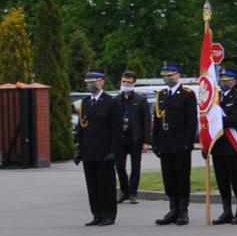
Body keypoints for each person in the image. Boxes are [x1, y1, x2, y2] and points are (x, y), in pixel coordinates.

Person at [150, 62, 195, 226]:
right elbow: (157, 120)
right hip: (165, 141)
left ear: (178, 75)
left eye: (170, 75)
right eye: (165, 75)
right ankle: (173, 208)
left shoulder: (187, 94)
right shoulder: (161, 95)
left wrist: (188, 143)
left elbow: (191, 122)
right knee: (168, 177)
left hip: (180, 142)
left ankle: (183, 210)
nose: (167, 78)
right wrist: (154, 141)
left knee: (181, 177)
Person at [76, 71, 122, 226]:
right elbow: (81, 128)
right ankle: (96, 214)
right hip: (89, 151)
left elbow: (116, 130)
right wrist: (79, 150)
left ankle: (109, 215)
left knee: (106, 185)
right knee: (93, 185)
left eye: (93, 81)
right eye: (87, 82)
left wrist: (113, 151)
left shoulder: (111, 102)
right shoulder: (85, 102)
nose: (90, 84)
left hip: (104, 152)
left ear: (102, 82)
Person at [209, 69, 237, 225]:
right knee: (222, 179)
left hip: (233, 144)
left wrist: (218, 120)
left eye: (227, 80)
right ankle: (227, 210)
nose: (224, 82)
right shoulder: (214, 98)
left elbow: (236, 120)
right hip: (218, 144)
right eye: (222, 79)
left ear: (234, 81)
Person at [112, 71, 148, 205]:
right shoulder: (116, 100)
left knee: (135, 167)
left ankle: (133, 193)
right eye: (124, 82)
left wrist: (146, 141)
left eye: (128, 82)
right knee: (120, 166)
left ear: (134, 83)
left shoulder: (140, 100)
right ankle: (124, 191)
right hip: (120, 138)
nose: (126, 84)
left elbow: (146, 121)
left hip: (135, 138)